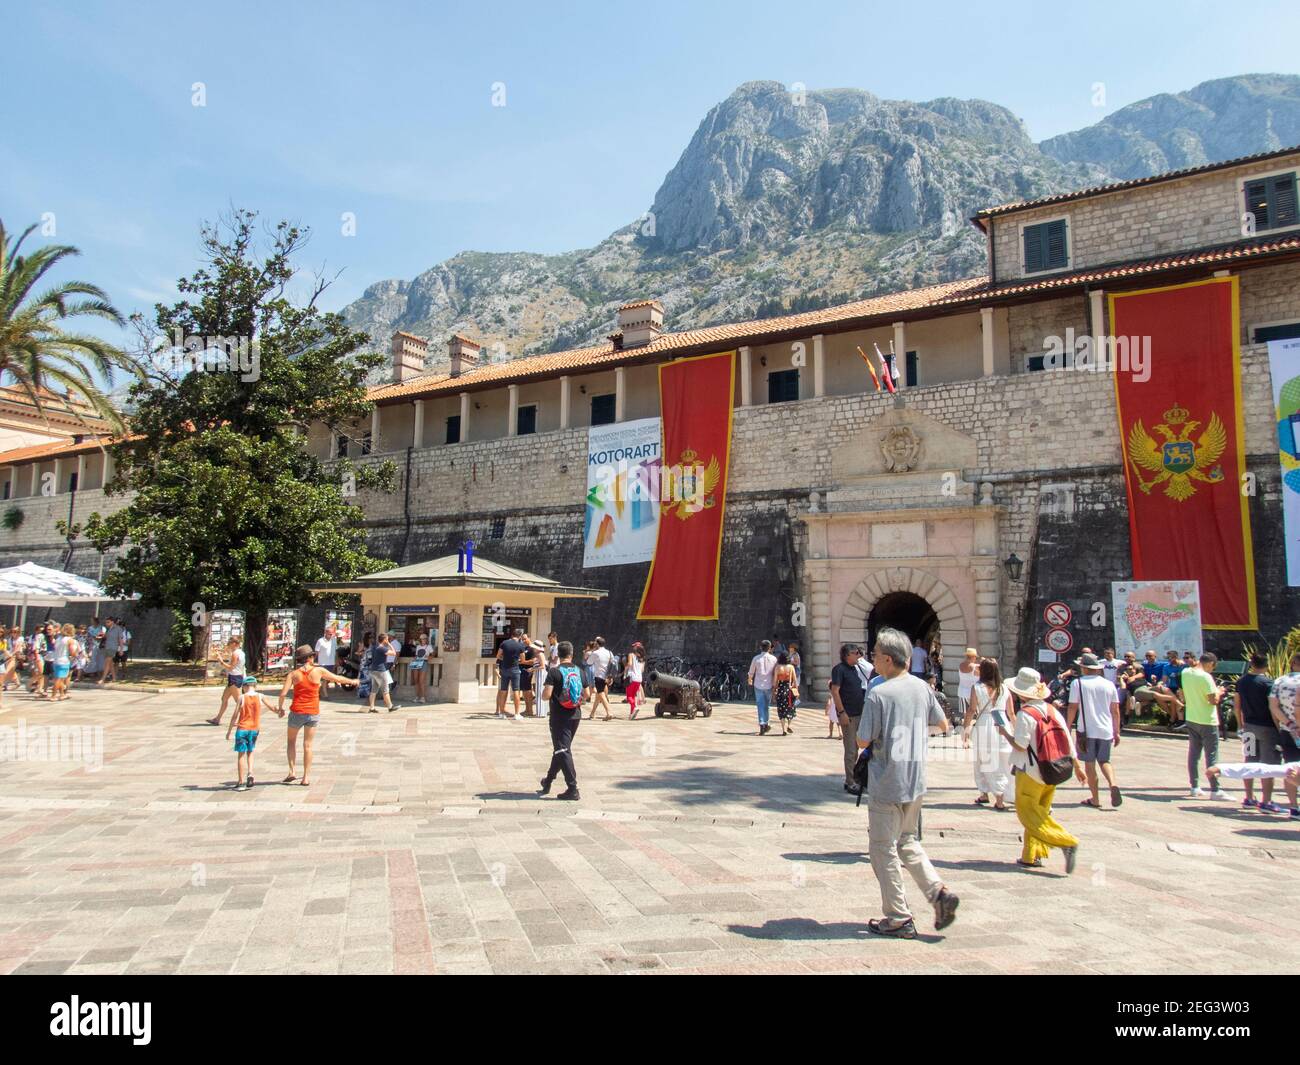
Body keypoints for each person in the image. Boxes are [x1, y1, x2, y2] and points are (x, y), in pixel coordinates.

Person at [856, 627, 959, 938]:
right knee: (909, 842)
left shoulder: (879, 693)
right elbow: (943, 725)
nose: (872, 659)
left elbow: (863, 738)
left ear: (888, 659)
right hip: (916, 780)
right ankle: (937, 893)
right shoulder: (921, 687)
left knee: (882, 849)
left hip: (887, 781)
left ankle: (898, 917)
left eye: (874, 655)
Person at [1007, 667, 1085, 871]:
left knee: (1028, 813)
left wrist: (1004, 733)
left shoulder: (1025, 714)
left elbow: (1021, 745)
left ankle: (1065, 841)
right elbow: (1068, 739)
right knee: (1040, 811)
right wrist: (1077, 765)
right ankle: (1031, 855)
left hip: (1030, 770)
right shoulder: (1052, 710)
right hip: (1052, 768)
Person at [277, 644, 358, 786]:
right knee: (308, 745)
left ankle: (292, 771)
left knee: (291, 742)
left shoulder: (293, 674)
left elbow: (283, 693)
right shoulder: (318, 671)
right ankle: (306, 777)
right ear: (311, 657)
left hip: (296, 711)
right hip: (312, 712)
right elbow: (337, 679)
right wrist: (353, 681)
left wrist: (280, 708)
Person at [1066, 652, 1123, 808]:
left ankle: (1095, 798)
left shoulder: (1078, 683)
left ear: (1083, 668)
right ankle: (1113, 784)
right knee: (1105, 760)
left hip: (1086, 730)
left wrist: (1068, 726)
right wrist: (1116, 731)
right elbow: (1115, 710)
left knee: (1089, 764)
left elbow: (1072, 706)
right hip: (1105, 729)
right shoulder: (1109, 684)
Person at [962, 657, 1015, 810]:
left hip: (985, 723)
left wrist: (966, 729)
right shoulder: (1005, 688)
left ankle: (997, 796)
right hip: (1002, 723)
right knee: (1004, 762)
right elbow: (1011, 713)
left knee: (983, 761)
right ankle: (988, 793)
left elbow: (972, 709)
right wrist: (1015, 729)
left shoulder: (977, 687)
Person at [538, 641, 583, 801]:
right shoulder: (579, 671)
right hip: (576, 714)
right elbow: (588, 694)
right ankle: (548, 781)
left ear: (558, 654)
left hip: (559, 716)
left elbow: (546, 695)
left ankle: (572, 788)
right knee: (561, 749)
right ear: (572, 654)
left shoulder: (554, 672)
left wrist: (544, 691)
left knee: (563, 750)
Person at [1182, 651, 1227, 799]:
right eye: (1212, 667)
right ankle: (1215, 789)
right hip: (1207, 720)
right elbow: (1213, 700)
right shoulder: (1206, 677)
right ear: (1210, 663)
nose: (1212, 670)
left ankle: (1194, 786)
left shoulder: (1186, 672)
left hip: (1192, 717)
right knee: (1212, 756)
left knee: (1194, 754)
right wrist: (1219, 692)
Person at [226, 676, 282, 791]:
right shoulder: (260, 696)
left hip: (242, 729)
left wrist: (229, 730)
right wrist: (279, 710)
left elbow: (235, 715)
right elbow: (272, 708)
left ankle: (241, 782)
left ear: (245, 686)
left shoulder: (242, 697)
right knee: (250, 751)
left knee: (241, 754)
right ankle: (250, 774)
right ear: (255, 686)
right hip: (255, 729)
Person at [830, 644, 868, 793]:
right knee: (851, 749)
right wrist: (841, 712)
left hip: (859, 713)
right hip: (849, 714)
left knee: (859, 747)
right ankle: (850, 781)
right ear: (847, 655)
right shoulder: (839, 670)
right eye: (855, 653)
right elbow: (835, 691)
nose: (858, 655)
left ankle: (855, 777)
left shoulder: (856, 669)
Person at [1269, 652, 1300, 819]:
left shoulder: (1280, 681)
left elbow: (1273, 706)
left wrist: (1288, 724)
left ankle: (1293, 807)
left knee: (1291, 768)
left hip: (1288, 730)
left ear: (1293, 662)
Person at [206, 636, 246, 726]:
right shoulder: (241, 653)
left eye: (230, 643)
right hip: (235, 677)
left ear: (235, 644)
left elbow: (231, 667)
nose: (229, 645)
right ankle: (217, 719)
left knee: (239, 701)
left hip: (235, 678)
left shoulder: (235, 654)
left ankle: (243, 719)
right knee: (224, 698)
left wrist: (221, 662)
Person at [747, 639, 777, 735]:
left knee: (760, 705)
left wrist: (750, 679)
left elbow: (751, 671)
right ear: (769, 648)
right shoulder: (774, 659)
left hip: (758, 684)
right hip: (769, 684)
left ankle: (762, 724)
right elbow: (775, 673)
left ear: (761, 647)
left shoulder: (756, 658)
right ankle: (766, 723)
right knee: (767, 706)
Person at [365, 633, 400, 713]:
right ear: (384, 640)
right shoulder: (382, 648)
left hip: (374, 670)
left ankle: (372, 707)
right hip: (380, 670)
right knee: (385, 690)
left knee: (374, 690)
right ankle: (390, 706)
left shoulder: (374, 647)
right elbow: (394, 653)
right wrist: (389, 644)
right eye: (387, 639)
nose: (388, 640)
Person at [48, 623, 80, 702]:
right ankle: (53, 695)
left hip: (56, 660)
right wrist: (77, 652)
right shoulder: (70, 640)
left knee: (60, 679)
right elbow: (72, 652)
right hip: (64, 661)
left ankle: (62, 694)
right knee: (58, 680)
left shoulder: (59, 638)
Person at [585, 636, 615, 721]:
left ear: (597, 644)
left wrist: (592, 652)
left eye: (595, 642)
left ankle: (609, 712)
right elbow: (613, 665)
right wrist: (611, 677)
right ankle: (592, 713)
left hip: (599, 676)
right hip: (607, 677)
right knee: (598, 696)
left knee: (601, 694)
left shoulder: (596, 653)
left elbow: (588, 662)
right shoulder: (609, 652)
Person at [772, 651, 799, 735]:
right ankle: (789, 725)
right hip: (789, 690)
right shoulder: (791, 667)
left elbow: (775, 681)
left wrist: (774, 691)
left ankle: (783, 729)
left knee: (781, 709)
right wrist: (796, 690)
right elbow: (795, 680)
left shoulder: (778, 667)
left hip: (780, 689)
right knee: (790, 707)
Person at [97, 617, 124, 686]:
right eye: (106, 622)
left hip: (112, 648)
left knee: (107, 662)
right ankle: (114, 678)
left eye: (108, 622)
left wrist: (121, 649)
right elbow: (106, 637)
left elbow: (120, 640)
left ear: (112, 622)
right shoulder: (108, 629)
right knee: (110, 663)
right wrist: (101, 635)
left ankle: (103, 679)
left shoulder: (118, 629)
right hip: (107, 647)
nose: (106, 623)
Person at [314, 625, 338, 700]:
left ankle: (318, 692)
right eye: (329, 634)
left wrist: (336, 660)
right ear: (325, 633)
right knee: (324, 679)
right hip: (323, 663)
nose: (331, 635)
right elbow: (316, 652)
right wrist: (314, 662)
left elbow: (335, 651)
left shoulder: (334, 640)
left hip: (331, 663)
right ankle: (325, 695)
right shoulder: (320, 641)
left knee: (327, 679)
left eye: (332, 634)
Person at [625, 642, 645, 720]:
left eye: (634, 647)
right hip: (639, 679)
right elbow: (642, 670)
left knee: (629, 696)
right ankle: (631, 714)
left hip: (631, 677)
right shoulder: (642, 659)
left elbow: (629, 664)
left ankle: (635, 707)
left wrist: (625, 669)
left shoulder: (631, 655)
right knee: (633, 696)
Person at [410, 631, 432, 704]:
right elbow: (416, 655)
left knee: (421, 681)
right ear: (420, 640)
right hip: (417, 662)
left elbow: (433, 653)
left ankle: (422, 697)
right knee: (416, 680)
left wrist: (429, 657)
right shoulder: (418, 646)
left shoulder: (429, 646)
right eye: (422, 639)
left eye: (425, 638)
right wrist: (413, 659)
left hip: (424, 662)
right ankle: (417, 697)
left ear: (426, 639)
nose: (423, 640)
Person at [956, 648, 978, 717]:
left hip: (962, 692)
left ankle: (966, 727)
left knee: (965, 716)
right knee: (977, 714)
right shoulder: (976, 667)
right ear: (973, 657)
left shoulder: (961, 665)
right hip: (973, 694)